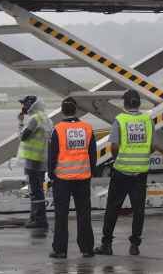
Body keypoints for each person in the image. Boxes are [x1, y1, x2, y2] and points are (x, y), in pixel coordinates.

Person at [94, 89, 158, 256]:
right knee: (138, 209)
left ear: (125, 104)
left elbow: (114, 146)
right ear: (139, 103)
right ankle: (134, 245)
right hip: (141, 172)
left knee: (113, 207)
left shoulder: (120, 120)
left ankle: (106, 244)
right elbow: (153, 147)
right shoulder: (147, 120)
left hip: (122, 171)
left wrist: (118, 159)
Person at [47, 97, 97, 258]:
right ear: (76, 111)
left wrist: (51, 175)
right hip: (83, 177)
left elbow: (52, 155)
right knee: (84, 212)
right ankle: (87, 248)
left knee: (61, 214)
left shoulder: (57, 129)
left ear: (62, 112)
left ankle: (60, 250)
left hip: (62, 178)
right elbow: (93, 154)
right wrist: (91, 172)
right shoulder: (87, 128)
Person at [17, 95, 53, 228]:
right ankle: (34, 217)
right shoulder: (45, 118)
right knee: (37, 189)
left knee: (34, 190)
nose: (24, 107)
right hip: (41, 159)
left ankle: (40, 219)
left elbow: (23, 136)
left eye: (25, 104)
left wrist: (20, 122)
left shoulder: (34, 119)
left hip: (32, 160)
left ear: (32, 105)